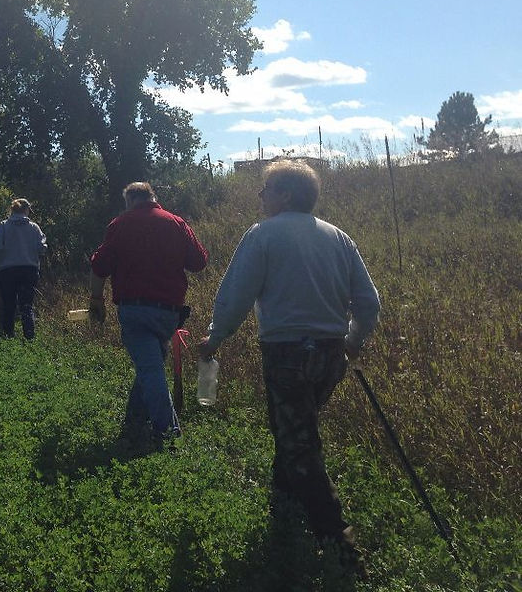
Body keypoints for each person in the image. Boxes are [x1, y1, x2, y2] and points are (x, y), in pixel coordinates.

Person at [197, 160, 380, 575]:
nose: (260, 198)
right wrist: (354, 341)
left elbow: (236, 295)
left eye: (265, 190)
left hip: (287, 354)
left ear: (285, 194)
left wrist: (215, 338)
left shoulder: (263, 235)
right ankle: (284, 503)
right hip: (331, 353)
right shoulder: (339, 238)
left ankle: (340, 544)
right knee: (294, 428)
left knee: (300, 444)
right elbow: (369, 303)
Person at [89, 182, 209, 445]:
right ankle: (134, 420)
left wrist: (96, 299)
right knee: (150, 365)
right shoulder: (176, 223)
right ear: (153, 197)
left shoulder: (120, 224)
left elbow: (99, 267)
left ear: (129, 200)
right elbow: (199, 263)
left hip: (134, 310)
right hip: (168, 312)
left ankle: (166, 432)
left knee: (151, 368)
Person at [0, 198, 47, 339]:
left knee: (9, 304)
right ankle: (29, 337)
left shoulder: (3, 226)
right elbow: (42, 248)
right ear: (26, 210)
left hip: (7, 272)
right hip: (29, 270)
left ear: (12, 210)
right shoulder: (34, 227)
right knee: (27, 305)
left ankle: (8, 336)